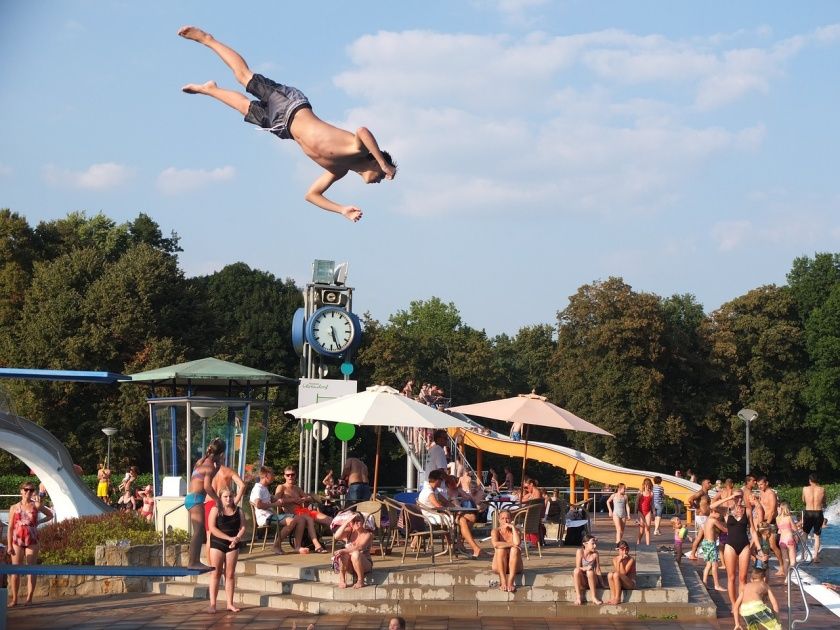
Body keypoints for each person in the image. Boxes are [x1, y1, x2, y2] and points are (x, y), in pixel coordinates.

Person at [178, 26, 396, 223]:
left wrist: (341, 210)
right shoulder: (358, 148)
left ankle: (210, 89)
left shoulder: (339, 170)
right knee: (243, 76)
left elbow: (311, 195)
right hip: (292, 105)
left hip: (283, 128)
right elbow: (362, 130)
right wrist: (385, 164)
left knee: (243, 108)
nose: (381, 180)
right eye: (382, 175)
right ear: (376, 162)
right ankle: (208, 39)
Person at [7, 482, 54, 606]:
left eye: (31, 490)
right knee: (15, 570)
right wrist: (9, 545)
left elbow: (50, 515)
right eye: (26, 490)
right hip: (17, 540)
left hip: (32, 540)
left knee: (31, 569)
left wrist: (39, 522)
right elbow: (10, 528)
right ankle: (14, 599)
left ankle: (29, 598)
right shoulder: (14, 507)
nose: (29, 492)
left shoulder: (36, 505)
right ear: (21, 491)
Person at [711, 490, 757, 612]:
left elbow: (753, 529)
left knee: (743, 578)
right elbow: (712, 506)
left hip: (744, 545)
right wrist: (730, 497)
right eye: (736, 497)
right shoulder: (727, 511)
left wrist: (757, 547)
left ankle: (740, 603)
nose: (738, 499)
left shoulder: (747, 511)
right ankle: (733, 604)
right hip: (730, 546)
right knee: (731, 577)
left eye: (740, 497)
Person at [186, 438, 226, 569]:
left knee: (198, 531)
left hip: (190, 498)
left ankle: (193, 562)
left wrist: (218, 467)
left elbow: (204, 476)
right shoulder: (209, 466)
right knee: (199, 532)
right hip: (197, 499)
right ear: (221, 454)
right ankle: (193, 562)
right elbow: (208, 487)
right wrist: (218, 500)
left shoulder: (201, 462)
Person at [249, 466, 304, 554]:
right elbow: (258, 505)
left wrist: (283, 499)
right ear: (267, 475)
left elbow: (272, 499)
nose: (274, 477)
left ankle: (297, 546)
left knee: (300, 519)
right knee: (291, 521)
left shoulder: (264, 488)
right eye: (272, 475)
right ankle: (276, 545)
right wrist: (275, 504)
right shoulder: (258, 489)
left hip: (272, 515)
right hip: (265, 517)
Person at [275, 466, 331, 553]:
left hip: (304, 512)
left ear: (295, 475)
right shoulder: (281, 487)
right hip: (293, 514)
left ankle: (347, 541)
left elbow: (309, 498)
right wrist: (292, 500)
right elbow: (276, 500)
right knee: (308, 518)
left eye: (292, 475)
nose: (290, 477)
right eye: (288, 475)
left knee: (328, 519)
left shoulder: (297, 488)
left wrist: (305, 499)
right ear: (284, 476)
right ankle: (316, 544)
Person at [206, 489, 245, 614]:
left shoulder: (239, 511)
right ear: (220, 498)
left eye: (231, 496)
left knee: (230, 575)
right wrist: (229, 538)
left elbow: (243, 527)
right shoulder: (216, 509)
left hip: (233, 544)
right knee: (215, 573)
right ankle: (213, 604)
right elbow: (212, 528)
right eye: (225, 496)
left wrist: (237, 538)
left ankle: (230, 603)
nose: (228, 499)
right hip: (218, 543)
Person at [204, 463, 247, 561]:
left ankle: (211, 566)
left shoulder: (208, 470)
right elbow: (242, 485)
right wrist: (235, 500)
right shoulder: (227, 471)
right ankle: (221, 563)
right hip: (223, 502)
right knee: (226, 531)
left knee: (210, 536)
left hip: (210, 502)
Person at [332, 512, 373, 588]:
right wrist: (346, 522)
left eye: (358, 520)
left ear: (363, 521)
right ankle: (342, 579)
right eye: (353, 521)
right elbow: (336, 536)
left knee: (355, 554)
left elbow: (359, 547)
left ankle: (360, 581)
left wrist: (344, 550)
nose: (356, 523)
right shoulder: (349, 531)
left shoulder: (368, 534)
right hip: (350, 565)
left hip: (365, 564)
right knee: (344, 555)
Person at [756, 475, 785, 576]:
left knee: (772, 545)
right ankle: (763, 566)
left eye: (761, 484)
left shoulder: (771, 494)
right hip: (762, 522)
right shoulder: (761, 493)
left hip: (770, 522)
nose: (759, 486)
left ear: (766, 483)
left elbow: (772, 511)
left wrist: (767, 524)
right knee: (764, 546)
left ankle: (782, 566)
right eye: (758, 485)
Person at [491, 509, 522, 593]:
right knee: (501, 550)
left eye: (507, 518)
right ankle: (503, 581)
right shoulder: (495, 531)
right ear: (499, 520)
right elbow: (495, 544)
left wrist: (512, 527)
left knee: (515, 550)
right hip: (499, 566)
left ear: (511, 519)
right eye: (503, 518)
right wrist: (511, 544)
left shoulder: (516, 531)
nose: (505, 520)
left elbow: (517, 543)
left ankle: (511, 581)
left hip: (515, 567)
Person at [699, 511, 727, 592]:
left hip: (706, 543)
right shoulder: (713, 520)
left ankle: (704, 582)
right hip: (710, 544)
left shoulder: (707, 520)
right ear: (714, 512)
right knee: (715, 565)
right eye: (719, 514)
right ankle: (717, 585)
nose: (719, 516)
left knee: (708, 565)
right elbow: (724, 530)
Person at [572, 534, 603, 605]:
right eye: (592, 544)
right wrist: (585, 568)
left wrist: (602, 584)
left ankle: (594, 597)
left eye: (595, 543)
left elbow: (598, 570)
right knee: (576, 571)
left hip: (592, 579)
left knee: (590, 572)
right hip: (583, 580)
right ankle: (578, 597)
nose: (595, 546)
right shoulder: (580, 552)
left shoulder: (595, 554)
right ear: (585, 544)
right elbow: (578, 567)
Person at [802, 472, 825, 563]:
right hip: (818, 513)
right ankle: (815, 557)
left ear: (810, 480)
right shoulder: (822, 489)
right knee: (817, 536)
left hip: (808, 512)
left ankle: (803, 555)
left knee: (805, 534)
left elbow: (803, 500)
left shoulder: (805, 489)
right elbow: (824, 500)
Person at [606, 540, 636, 605]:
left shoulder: (631, 559)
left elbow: (623, 573)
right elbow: (617, 570)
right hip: (621, 582)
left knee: (616, 574)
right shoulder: (614, 559)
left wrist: (620, 561)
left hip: (630, 583)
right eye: (622, 549)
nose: (625, 552)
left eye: (627, 549)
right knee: (610, 574)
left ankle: (618, 598)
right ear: (618, 550)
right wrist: (619, 561)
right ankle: (613, 597)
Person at [775, 502, 798, 580]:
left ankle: (786, 577)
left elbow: (780, 530)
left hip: (782, 540)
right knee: (793, 561)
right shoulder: (789, 518)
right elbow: (795, 529)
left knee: (785, 561)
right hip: (789, 539)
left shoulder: (777, 518)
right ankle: (788, 578)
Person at [687, 496, 710, 560]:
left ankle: (693, 554)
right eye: (709, 484)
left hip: (703, 517)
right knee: (707, 536)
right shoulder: (701, 493)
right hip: (702, 517)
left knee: (700, 537)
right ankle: (707, 554)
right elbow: (690, 499)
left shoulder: (704, 493)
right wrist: (697, 507)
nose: (710, 485)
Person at [636, 478, 653, 546]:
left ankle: (648, 545)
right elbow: (636, 503)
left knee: (648, 527)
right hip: (641, 511)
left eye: (648, 485)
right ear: (644, 485)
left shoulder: (651, 493)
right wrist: (635, 513)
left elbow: (652, 504)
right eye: (646, 485)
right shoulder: (640, 492)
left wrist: (654, 513)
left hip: (648, 511)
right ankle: (638, 541)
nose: (647, 487)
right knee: (642, 528)